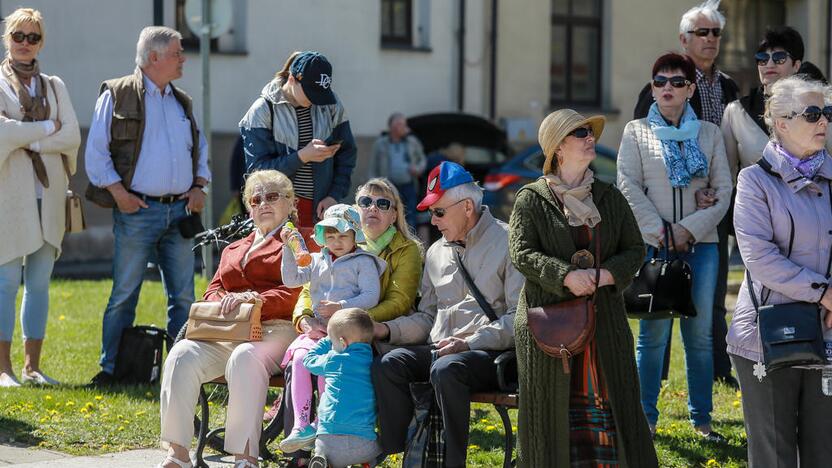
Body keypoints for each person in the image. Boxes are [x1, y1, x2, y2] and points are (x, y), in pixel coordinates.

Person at [509, 109, 657, 467]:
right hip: (548, 324)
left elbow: (635, 248)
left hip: (602, 319)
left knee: (611, 401)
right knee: (551, 411)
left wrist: (606, 275)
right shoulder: (531, 198)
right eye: (580, 133)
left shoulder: (608, 196)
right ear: (558, 147)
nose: (590, 137)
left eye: (590, 132)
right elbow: (520, 252)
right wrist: (564, 276)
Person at [371, 161, 525, 468]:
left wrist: (468, 342)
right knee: (389, 364)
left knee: (446, 369)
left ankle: (451, 463)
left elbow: (518, 319)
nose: (433, 219)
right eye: (430, 211)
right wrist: (385, 330)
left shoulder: (508, 242)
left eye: (439, 211)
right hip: (443, 349)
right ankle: (402, 452)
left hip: (491, 354)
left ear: (467, 207)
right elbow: (427, 317)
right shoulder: (435, 252)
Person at [84, 26, 210, 386]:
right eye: (177, 53)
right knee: (124, 293)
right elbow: (96, 154)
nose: (183, 58)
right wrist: (120, 196)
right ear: (154, 57)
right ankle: (110, 370)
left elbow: (198, 150)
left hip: (181, 212)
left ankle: (184, 371)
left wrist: (199, 185)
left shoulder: (181, 100)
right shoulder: (117, 93)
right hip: (137, 211)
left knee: (184, 296)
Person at [158, 170, 308, 468]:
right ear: (249, 208)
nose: (263, 203)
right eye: (256, 199)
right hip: (229, 328)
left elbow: (301, 291)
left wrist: (255, 300)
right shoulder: (233, 248)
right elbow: (213, 290)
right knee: (181, 353)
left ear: (291, 203)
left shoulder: (298, 243)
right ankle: (178, 454)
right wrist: (227, 302)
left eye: (272, 196)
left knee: (245, 357)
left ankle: (245, 457)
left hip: (275, 329)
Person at [617, 52, 732, 441]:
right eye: (660, 82)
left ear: (690, 89)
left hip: (702, 246)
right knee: (653, 337)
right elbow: (628, 186)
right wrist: (663, 232)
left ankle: (702, 420)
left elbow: (723, 191)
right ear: (652, 89)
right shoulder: (635, 132)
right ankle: (645, 419)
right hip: (654, 245)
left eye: (677, 82)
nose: (668, 88)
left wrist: (688, 229)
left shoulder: (710, 134)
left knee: (699, 337)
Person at [270, 179, 423, 464]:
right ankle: (302, 446)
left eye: (382, 203)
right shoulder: (326, 254)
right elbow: (305, 289)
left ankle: (346, 443)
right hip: (325, 329)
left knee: (343, 368)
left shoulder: (403, 250)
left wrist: (347, 322)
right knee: (298, 362)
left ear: (394, 213)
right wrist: (305, 320)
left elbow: (397, 302)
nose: (373, 208)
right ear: (357, 210)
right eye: (366, 202)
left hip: (375, 333)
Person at [728, 75, 832, 466]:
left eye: (827, 113)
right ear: (781, 122)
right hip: (768, 336)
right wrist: (823, 293)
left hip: (827, 332)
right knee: (775, 455)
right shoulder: (754, 181)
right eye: (812, 114)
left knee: (824, 452)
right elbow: (758, 257)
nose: (823, 121)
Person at [0, 8, 81, 387]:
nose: (25, 44)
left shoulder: (54, 85)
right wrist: (48, 128)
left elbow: (72, 138)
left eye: (33, 37)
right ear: (7, 38)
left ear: (41, 42)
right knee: (5, 283)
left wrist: (25, 136)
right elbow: (2, 136)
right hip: (9, 197)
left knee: (39, 282)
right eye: (19, 35)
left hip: (48, 196)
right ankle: (4, 369)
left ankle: (32, 367)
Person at [278, 204, 386, 453]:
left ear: (355, 236)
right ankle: (302, 424)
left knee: (331, 366)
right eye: (330, 235)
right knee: (301, 358)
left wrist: (341, 305)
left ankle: (322, 421)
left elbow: (371, 296)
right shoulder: (316, 261)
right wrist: (287, 247)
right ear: (322, 237)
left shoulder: (364, 262)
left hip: (346, 333)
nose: (336, 242)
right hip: (317, 329)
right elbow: (291, 279)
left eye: (343, 235)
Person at [240, 51, 356, 226]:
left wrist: (334, 195)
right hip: (277, 214)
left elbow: (347, 155)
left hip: (321, 212)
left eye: (321, 92)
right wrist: (302, 156)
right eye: (311, 92)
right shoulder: (262, 111)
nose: (316, 99)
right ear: (292, 79)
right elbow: (257, 173)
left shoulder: (330, 104)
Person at [303, 308, 381, 468]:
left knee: (324, 452)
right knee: (382, 446)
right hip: (364, 444)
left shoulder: (334, 359)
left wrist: (326, 341)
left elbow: (308, 360)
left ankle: (323, 460)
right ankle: (368, 462)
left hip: (328, 442)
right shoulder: (374, 363)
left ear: (342, 342)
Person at [368, 113, 426, 230]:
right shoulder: (381, 144)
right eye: (400, 124)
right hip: (388, 187)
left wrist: (418, 168)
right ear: (392, 127)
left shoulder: (412, 142)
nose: (404, 127)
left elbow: (422, 159)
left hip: (408, 185)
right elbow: (372, 167)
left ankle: (410, 242)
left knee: (410, 216)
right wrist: (372, 186)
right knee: (389, 215)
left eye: (404, 124)